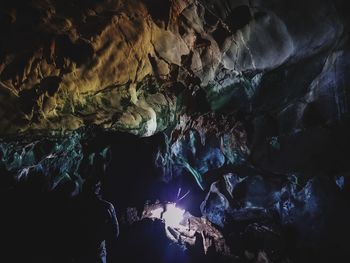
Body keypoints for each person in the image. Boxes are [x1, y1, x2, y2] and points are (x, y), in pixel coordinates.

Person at [77, 165, 119, 263]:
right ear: (97, 188)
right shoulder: (107, 207)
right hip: (98, 253)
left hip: (80, 251)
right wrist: (100, 236)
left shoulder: (77, 204)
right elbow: (115, 233)